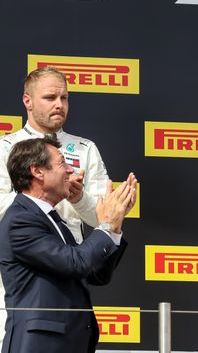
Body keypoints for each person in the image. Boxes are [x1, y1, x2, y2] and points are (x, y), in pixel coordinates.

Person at [0, 67, 109, 343]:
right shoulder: (5, 147)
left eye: (64, 98)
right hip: (21, 268)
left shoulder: (86, 149)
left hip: (70, 265)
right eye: (50, 97)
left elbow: (103, 218)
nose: (59, 105)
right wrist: (51, 192)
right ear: (28, 101)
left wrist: (78, 198)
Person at [0, 138, 136, 353]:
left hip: (70, 343)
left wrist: (115, 227)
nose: (71, 170)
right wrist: (106, 223)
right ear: (37, 171)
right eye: (62, 163)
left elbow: (96, 275)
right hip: (40, 345)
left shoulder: (53, 219)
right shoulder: (21, 220)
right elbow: (76, 263)